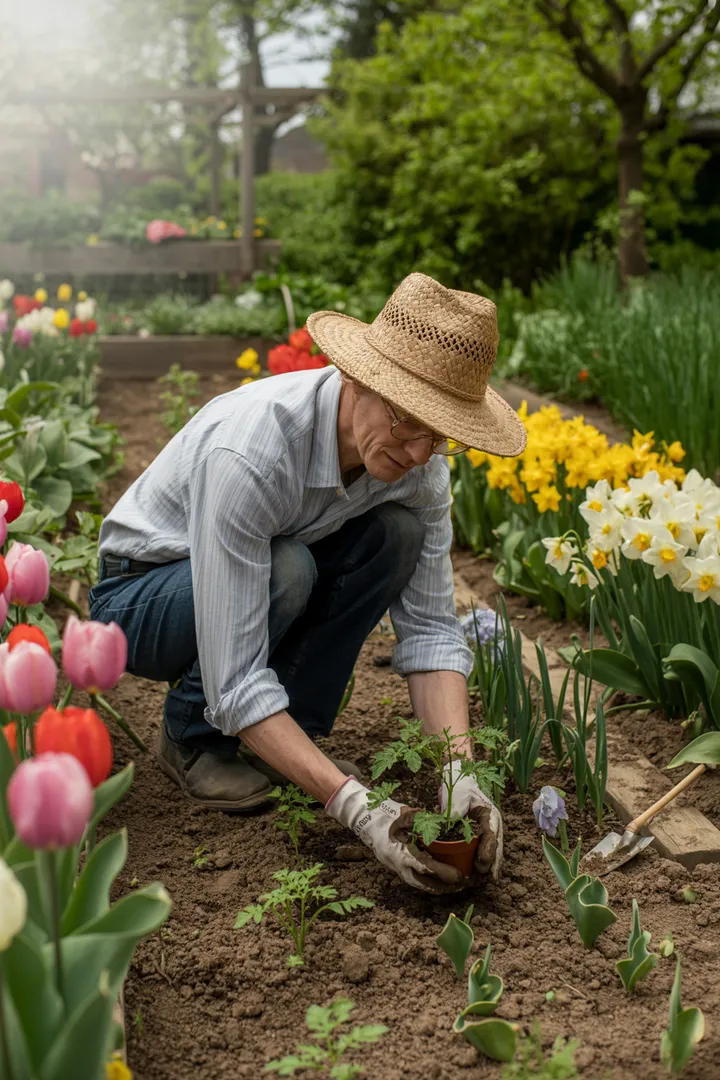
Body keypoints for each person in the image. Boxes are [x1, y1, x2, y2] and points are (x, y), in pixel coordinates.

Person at [88, 272, 526, 893]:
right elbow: (236, 677)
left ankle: (296, 749)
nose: (421, 451)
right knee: (288, 566)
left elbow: (430, 629)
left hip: (264, 570)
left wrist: (460, 776)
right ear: (356, 377)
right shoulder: (254, 453)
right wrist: (357, 810)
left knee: (395, 535)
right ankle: (190, 738)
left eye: (442, 433)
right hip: (142, 599)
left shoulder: (418, 470)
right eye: (407, 418)